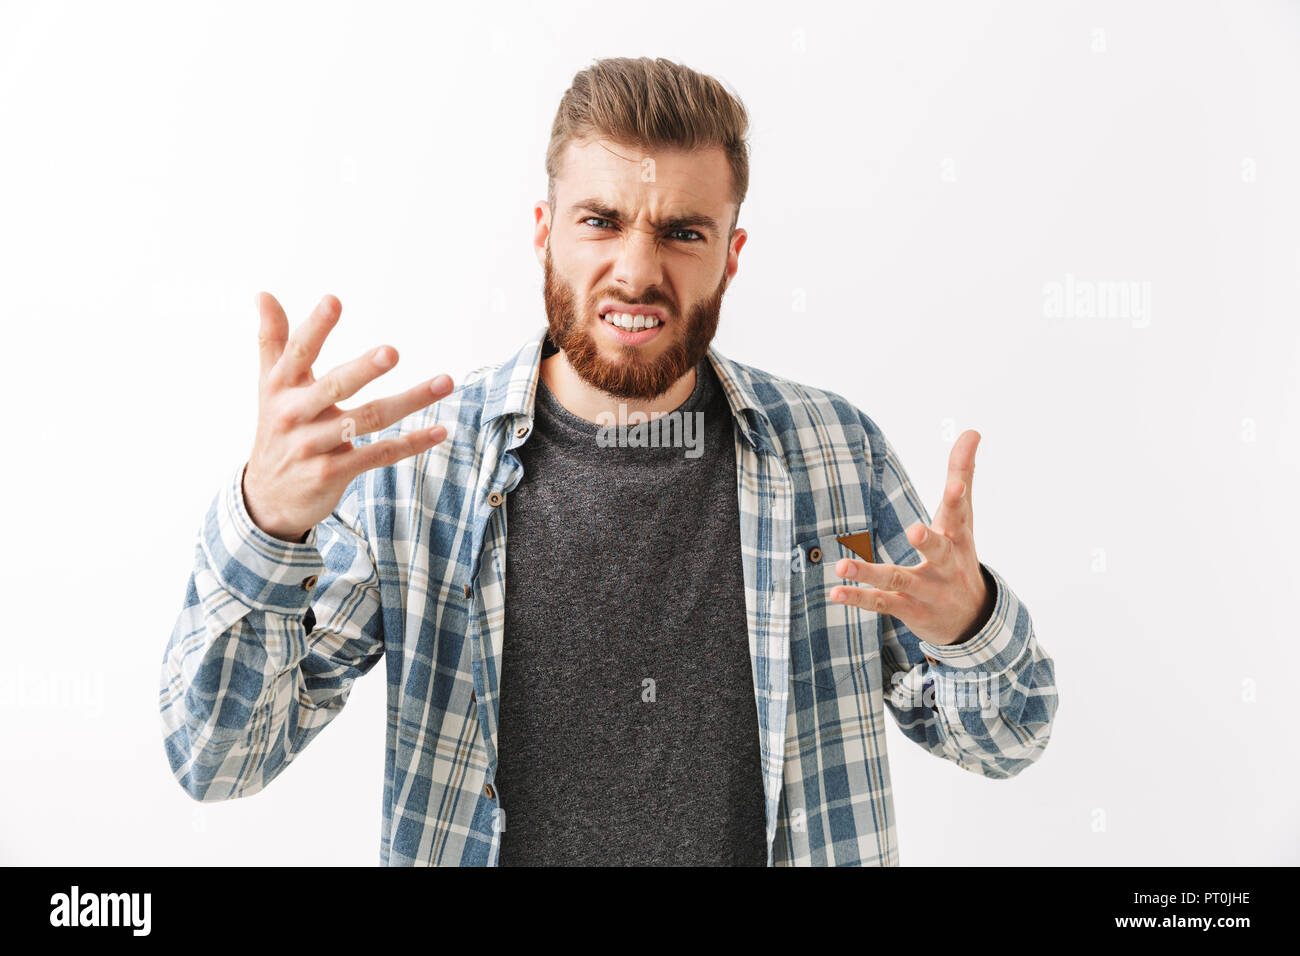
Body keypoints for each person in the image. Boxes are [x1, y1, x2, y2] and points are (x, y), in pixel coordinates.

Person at [159, 56, 1058, 866]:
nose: (636, 270)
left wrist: (971, 623)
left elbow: (1009, 741)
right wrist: (266, 524)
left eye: (683, 232)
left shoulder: (835, 457)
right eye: (602, 221)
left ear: (732, 256)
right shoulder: (416, 475)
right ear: (545, 230)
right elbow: (219, 761)